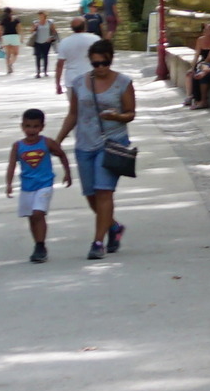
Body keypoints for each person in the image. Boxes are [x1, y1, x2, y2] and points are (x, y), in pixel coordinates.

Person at [70, 41, 137, 258]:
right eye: (96, 63)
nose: (100, 67)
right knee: (90, 195)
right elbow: (73, 115)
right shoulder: (79, 83)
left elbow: (130, 113)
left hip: (112, 143)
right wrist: (57, 140)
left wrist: (116, 116)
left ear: (111, 59)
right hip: (84, 143)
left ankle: (98, 243)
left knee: (104, 191)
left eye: (104, 62)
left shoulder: (123, 83)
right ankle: (114, 227)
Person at [8, 105, 62, 263]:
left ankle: (40, 245)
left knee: (38, 213)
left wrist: (68, 174)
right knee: (32, 217)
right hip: (27, 187)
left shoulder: (47, 143)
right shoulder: (18, 146)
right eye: (27, 126)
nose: (31, 130)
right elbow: (11, 165)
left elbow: (61, 154)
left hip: (44, 184)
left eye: (35, 126)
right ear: (22, 126)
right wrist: (9, 183)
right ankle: (38, 245)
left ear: (42, 127)